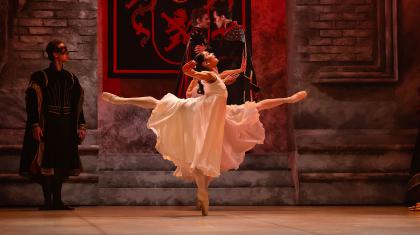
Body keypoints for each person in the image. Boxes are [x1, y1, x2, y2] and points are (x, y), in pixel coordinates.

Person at [102, 51, 307, 216]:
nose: (213, 54)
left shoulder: (214, 75)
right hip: (202, 112)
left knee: (208, 152)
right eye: (210, 54)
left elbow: (220, 76)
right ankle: (121, 100)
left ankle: (202, 191)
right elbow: (201, 76)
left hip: (214, 115)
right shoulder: (208, 75)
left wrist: (235, 70)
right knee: (162, 105)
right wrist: (190, 72)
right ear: (208, 63)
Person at [19, 40, 87, 210]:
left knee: (61, 163)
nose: (67, 52)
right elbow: (32, 102)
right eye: (63, 50)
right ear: (54, 54)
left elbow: (77, 105)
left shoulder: (71, 78)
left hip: (65, 125)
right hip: (48, 124)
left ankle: (57, 200)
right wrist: (35, 125)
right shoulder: (40, 77)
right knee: (47, 162)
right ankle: (48, 201)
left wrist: (81, 126)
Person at [211, 1, 259, 104]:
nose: (215, 22)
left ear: (222, 17)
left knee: (234, 108)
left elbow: (227, 55)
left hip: (234, 77)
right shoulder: (232, 30)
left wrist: (207, 50)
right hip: (232, 74)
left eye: (215, 18)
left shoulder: (235, 30)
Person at [175, 7, 210, 98]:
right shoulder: (197, 34)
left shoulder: (197, 33)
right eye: (206, 19)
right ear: (198, 20)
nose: (209, 21)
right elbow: (197, 57)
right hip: (196, 75)